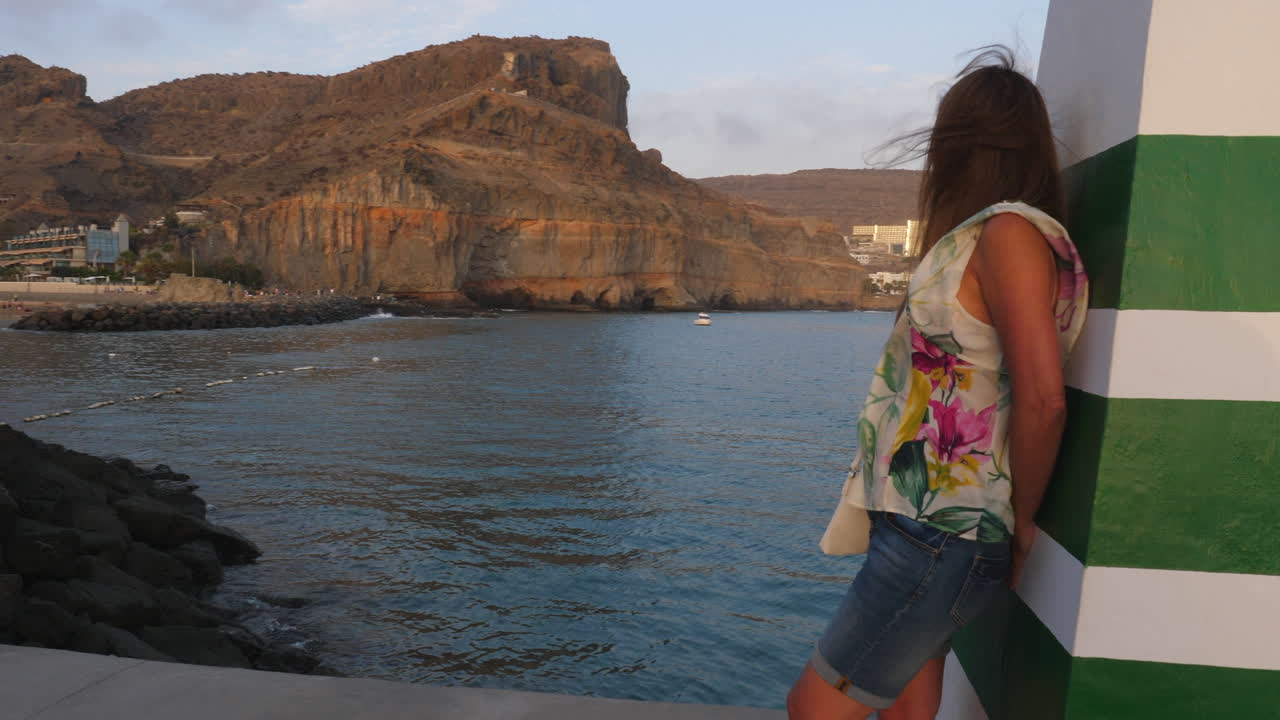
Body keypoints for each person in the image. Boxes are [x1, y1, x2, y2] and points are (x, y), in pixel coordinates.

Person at [787, 47, 1089, 720]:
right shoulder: (978, 237)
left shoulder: (1008, 235)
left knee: (813, 708)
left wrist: (1024, 522)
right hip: (924, 526)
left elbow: (1044, 399)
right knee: (907, 708)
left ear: (959, 146)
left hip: (945, 533)